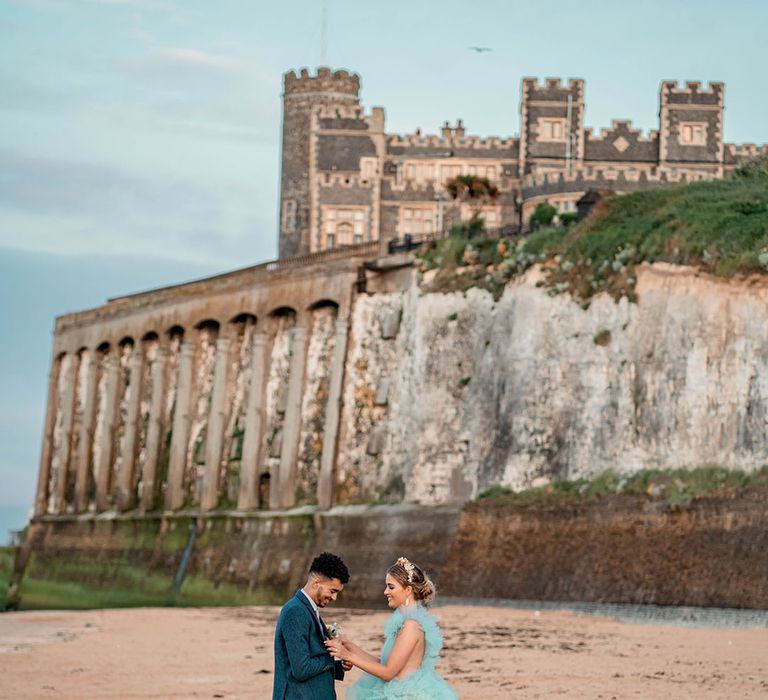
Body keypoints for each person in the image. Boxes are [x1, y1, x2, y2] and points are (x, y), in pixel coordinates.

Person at [325, 557, 457, 699]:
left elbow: (388, 673)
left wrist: (347, 655)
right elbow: (384, 664)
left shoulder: (411, 626)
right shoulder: (406, 622)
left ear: (407, 590)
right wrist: (348, 645)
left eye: (391, 587)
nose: (385, 592)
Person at [273, 552, 352, 700]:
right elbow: (301, 669)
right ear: (316, 584)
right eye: (333, 591)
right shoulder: (295, 611)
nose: (334, 597)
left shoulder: (308, 609)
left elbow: (310, 660)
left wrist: (339, 666)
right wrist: (333, 657)